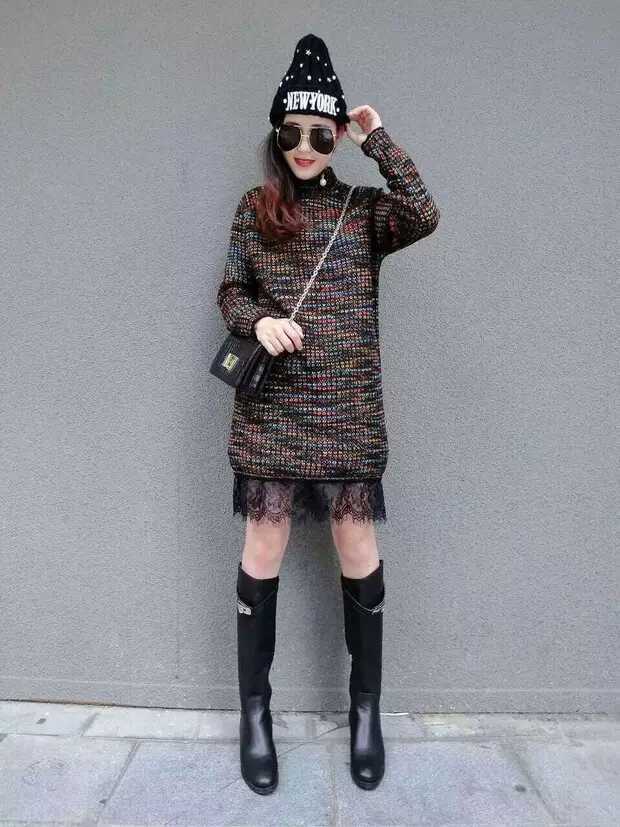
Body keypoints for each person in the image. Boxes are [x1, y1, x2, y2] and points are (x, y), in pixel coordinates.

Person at [216, 33, 440, 794]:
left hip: (348, 412)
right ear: (277, 134)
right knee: (263, 546)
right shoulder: (255, 210)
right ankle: (255, 714)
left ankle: (365, 711)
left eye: (321, 133)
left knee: (357, 547)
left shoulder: (365, 211)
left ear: (337, 134)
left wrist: (378, 139)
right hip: (272, 411)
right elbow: (231, 291)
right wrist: (257, 322)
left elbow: (424, 212)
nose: (305, 148)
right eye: (292, 134)